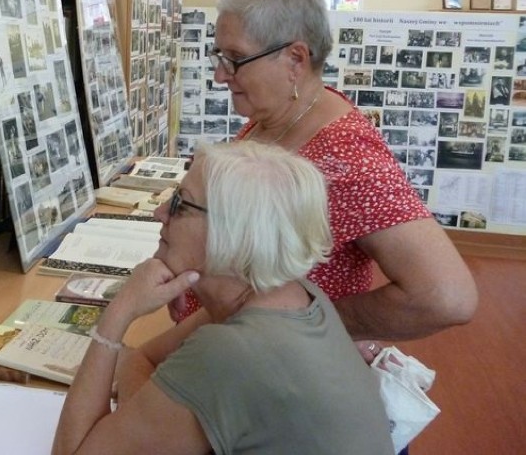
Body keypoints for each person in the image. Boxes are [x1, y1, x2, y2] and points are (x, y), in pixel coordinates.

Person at [171, 0, 476, 362]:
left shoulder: (346, 156)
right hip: (230, 358)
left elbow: (446, 297)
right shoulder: (275, 119)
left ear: (295, 59)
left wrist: (308, 320)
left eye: (235, 59)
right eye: (220, 56)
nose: (219, 76)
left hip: (279, 370)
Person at [53, 141, 393, 455]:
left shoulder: (232, 351)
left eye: (178, 204)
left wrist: (120, 310)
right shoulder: (295, 295)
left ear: (233, 233)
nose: (159, 214)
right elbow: (141, 360)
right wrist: (147, 416)